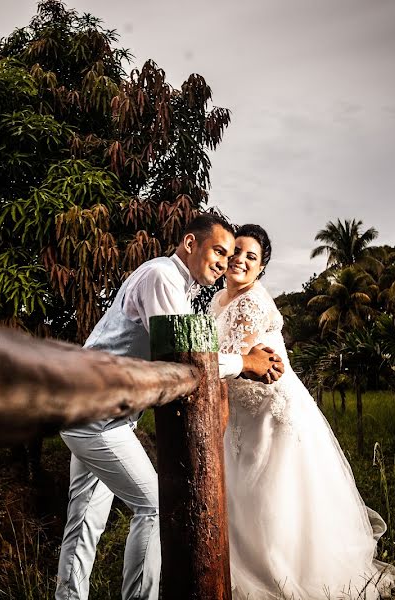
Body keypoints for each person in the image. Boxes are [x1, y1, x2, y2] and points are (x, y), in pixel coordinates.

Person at [54, 214, 285, 600]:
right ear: (190, 244)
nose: (225, 263)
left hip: (96, 408)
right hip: (96, 413)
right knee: (155, 507)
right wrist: (245, 363)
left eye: (229, 256)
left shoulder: (178, 286)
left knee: (83, 523)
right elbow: (186, 365)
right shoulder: (162, 277)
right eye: (218, 251)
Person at [211, 224, 395, 599]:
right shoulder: (220, 300)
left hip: (267, 410)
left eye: (252, 258)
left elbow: (234, 359)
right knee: (242, 490)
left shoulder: (250, 302)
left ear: (261, 269)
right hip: (243, 410)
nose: (241, 261)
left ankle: (276, 571)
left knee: (269, 492)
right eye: (238, 252)